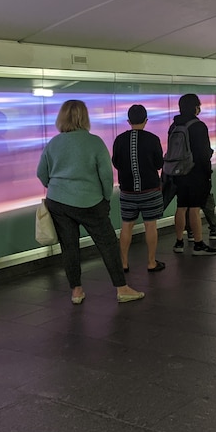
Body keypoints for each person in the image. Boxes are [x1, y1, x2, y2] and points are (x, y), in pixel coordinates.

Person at [37, 100, 144, 303]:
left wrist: (58, 186)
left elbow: (41, 173)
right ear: (85, 117)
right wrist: (105, 198)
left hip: (58, 202)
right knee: (107, 244)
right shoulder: (94, 142)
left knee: (69, 246)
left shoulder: (54, 143)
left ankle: (76, 291)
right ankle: (122, 288)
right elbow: (106, 176)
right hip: (90, 201)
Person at [112, 104, 166, 273]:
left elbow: (116, 163)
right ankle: (151, 262)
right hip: (150, 189)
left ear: (128, 121)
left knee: (126, 226)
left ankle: (124, 263)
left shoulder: (119, 140)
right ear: (146, 120)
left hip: (127, 191)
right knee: (150, 225)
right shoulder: (153, 138)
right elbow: (159, 164)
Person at [169, 94, 216, 255]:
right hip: (196, 172)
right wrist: (207, 173)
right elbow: (204, 153)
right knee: (195, 208)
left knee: (181, 207)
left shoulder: (174, 126)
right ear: (195, 107)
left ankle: (179, 242)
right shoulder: (199, 126)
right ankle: (198, 244)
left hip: (178, 172)